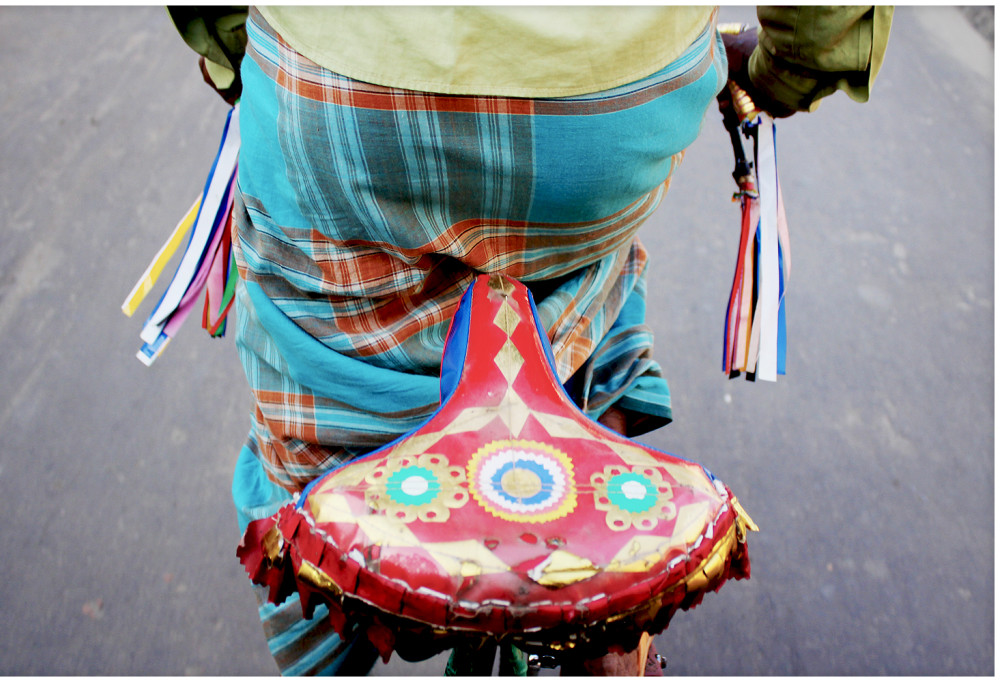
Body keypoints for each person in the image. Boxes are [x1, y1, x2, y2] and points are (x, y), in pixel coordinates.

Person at [168, 5, 892, 676]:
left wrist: (235, 47)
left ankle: (325, 572)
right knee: (582, 285)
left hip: (344, 98)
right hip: (609, 113)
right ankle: (606, 609)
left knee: (316, 379)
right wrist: (786, 70)